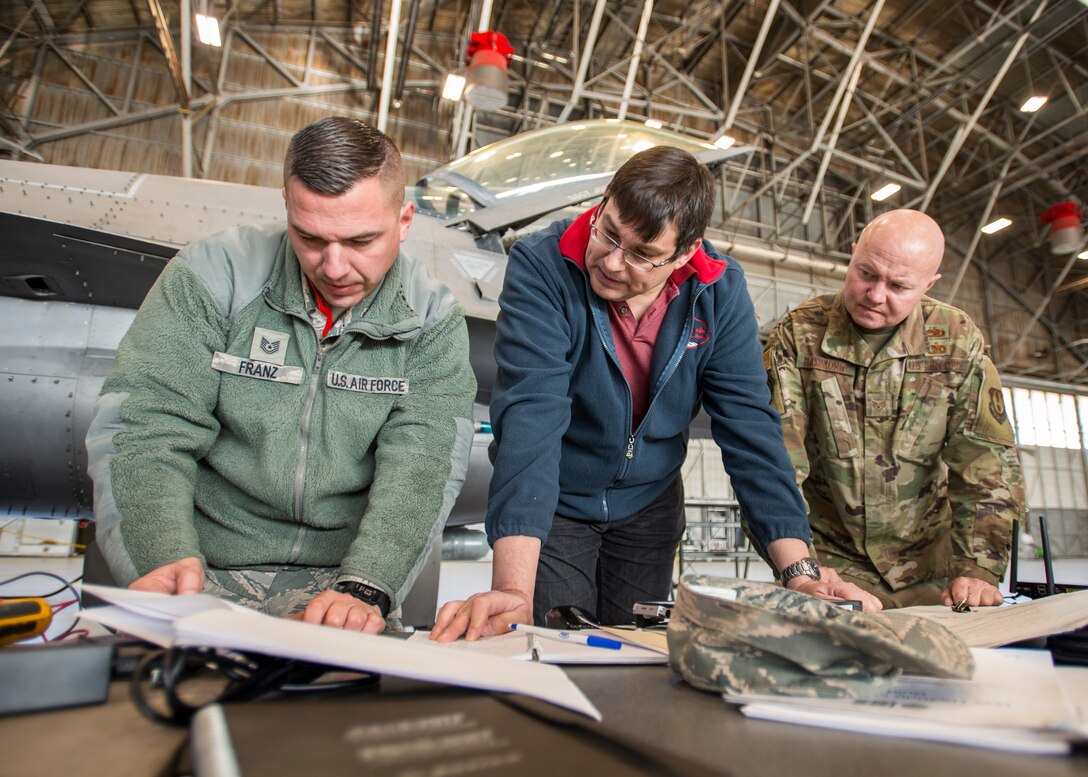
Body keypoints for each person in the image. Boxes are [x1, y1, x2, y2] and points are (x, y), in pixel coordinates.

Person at [431, 146, 879, 643]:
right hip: (557, 501)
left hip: (649, 507)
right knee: (553, 644)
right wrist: (513, 590)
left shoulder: (719, 291)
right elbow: (531, 414)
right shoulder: (543, 265)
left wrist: (800, 573)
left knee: (634, 649)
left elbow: (750, 430)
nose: (613, 262)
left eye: (643, 255)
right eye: (608, 233)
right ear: (604, 201)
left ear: (686, 253)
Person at [86, 117, 477, 633]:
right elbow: (147, 425)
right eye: (310, 237)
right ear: (287, 211)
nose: (334, 267)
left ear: (404, 221)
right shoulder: (212, 275)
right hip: (201, 568)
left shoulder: (430, 320)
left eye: (361, 241)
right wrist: (162, 556)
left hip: (342, 585)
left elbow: (422, 468)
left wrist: (368, 584)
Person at [762, 209, 1025, 609]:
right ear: (852, 256)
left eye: (899, 285)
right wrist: (800, 567)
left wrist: (977, 567)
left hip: (932, 573)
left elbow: (986, 462)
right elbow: (775, 460)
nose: (876, 294)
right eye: (866, 273)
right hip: (830, 570)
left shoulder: (956, 342)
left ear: (929, 285)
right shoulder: (800, 335)